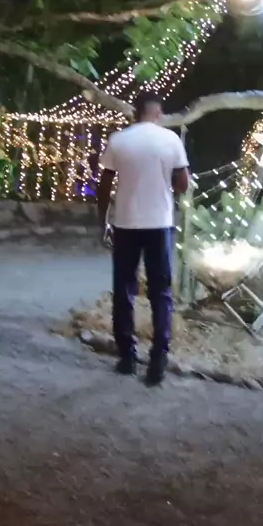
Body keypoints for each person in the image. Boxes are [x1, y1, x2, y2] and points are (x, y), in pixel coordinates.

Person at [97, 91, 189, 385]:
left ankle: (127, 356)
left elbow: (104, 185)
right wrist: (166, 184)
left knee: (124, 289)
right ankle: (158, 357)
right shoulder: (170, 140)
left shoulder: (119, 140)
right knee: (161, 292)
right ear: (158, 114)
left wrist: (103, 220)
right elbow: (183, 183)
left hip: (125, 222)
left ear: (135, 113)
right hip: (159, 223)